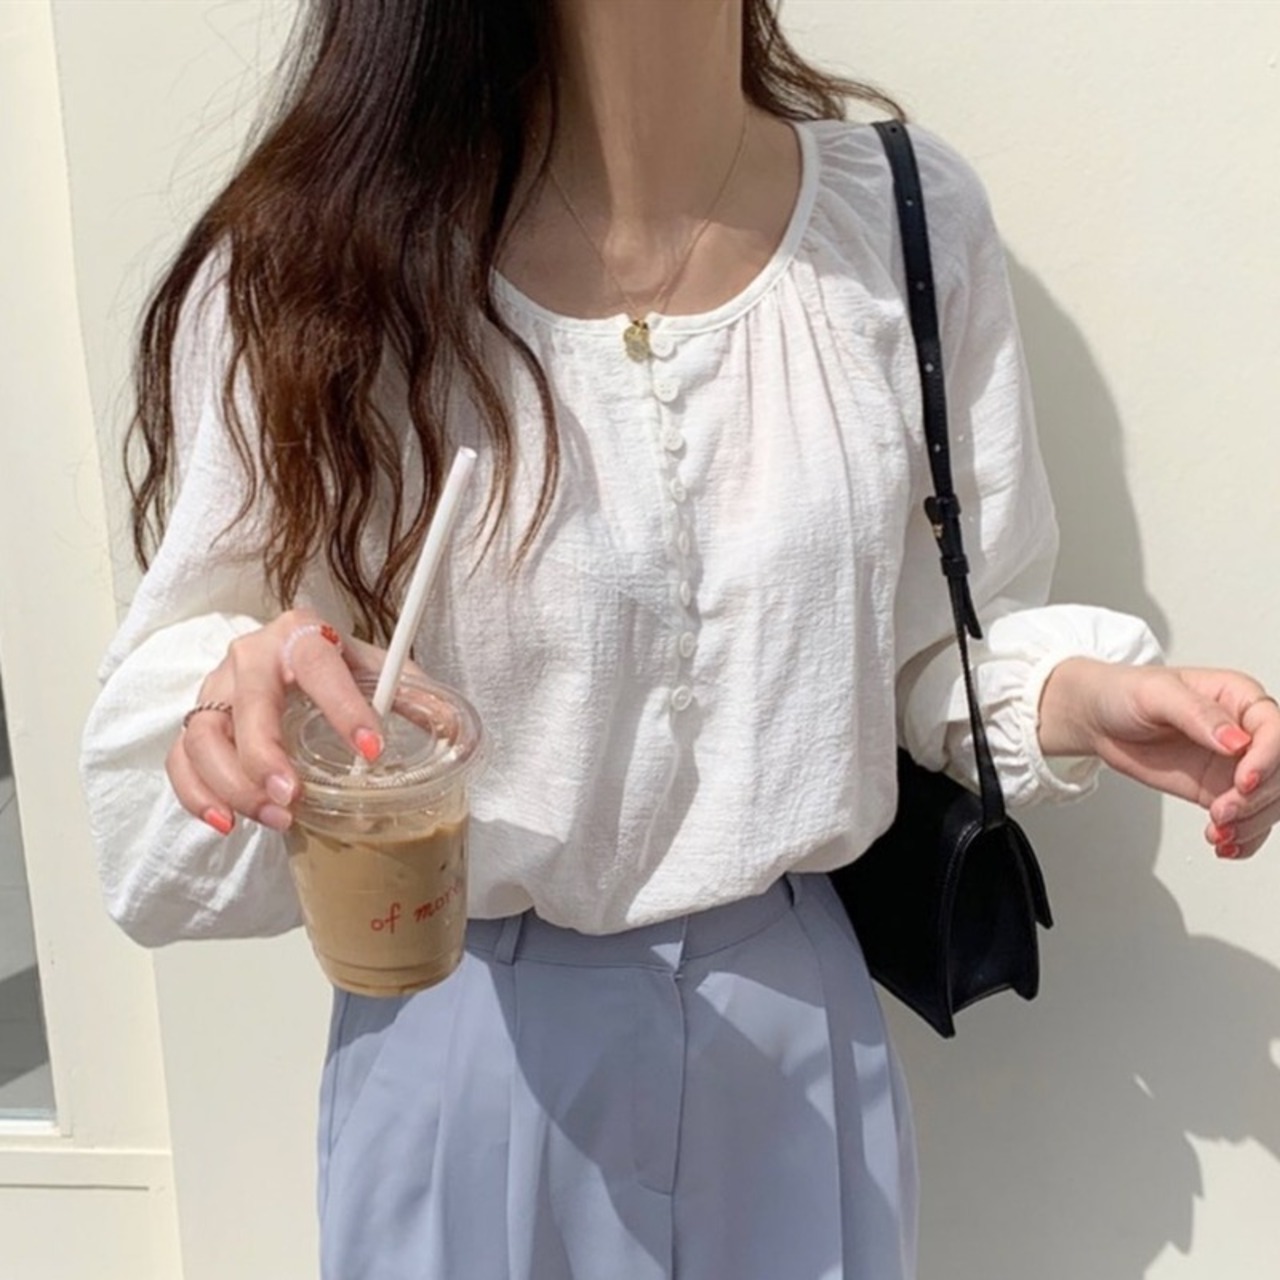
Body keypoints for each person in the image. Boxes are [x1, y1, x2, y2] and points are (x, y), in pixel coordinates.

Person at [80, 2, 1280, 1278]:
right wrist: (243, 716)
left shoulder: (901, 223)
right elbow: (160, 778)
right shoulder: (318, 260)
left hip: (796, 1037)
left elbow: (927, 648)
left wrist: (1079, 697)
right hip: (468, 1036)